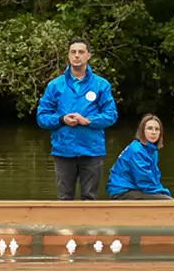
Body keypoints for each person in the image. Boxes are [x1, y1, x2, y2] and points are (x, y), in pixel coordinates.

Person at [36, 37, 118, 200]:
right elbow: (42, 117)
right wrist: (62, 119)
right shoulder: (55, 85)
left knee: (90, 198)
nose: (77, 55)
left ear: (89, 55)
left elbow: (111, 115)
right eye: (73, 52)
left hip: (92, 150)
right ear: (68, 56)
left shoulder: (101, 85)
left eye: (81, 52)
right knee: (64, 199)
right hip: (64, 150)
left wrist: (88, 121)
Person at [107, 114, 171, 200]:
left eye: (157, 129)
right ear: (142, 131)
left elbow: (154, 178)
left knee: (165, 198)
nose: (153, 132)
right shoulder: (136, 150)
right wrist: (164, 193)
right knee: (166, 200)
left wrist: (162, 191)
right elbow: (144, 180)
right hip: (122, 191)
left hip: (136, 189)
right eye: (149, 128)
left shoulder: (152, 151)